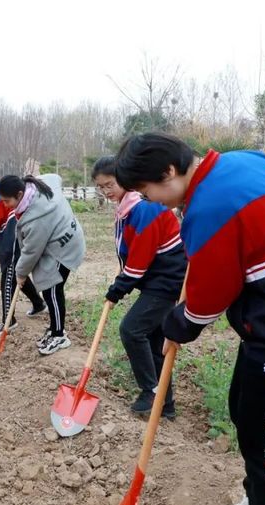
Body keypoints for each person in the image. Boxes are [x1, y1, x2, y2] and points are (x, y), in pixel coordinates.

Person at [115, 132, 265, 505]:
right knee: (242, 408)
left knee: (264, 439)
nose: (152, 201)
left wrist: (179, 324)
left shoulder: (208, 209)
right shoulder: (243, 160)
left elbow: (210, 297)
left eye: (147, 192)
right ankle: (256, 495)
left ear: (169, 171)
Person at [92, 156, 186, 420]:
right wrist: (122, 282)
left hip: (167, 282)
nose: (106, 191)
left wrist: (116, 290)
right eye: (101, 187)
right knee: (155, 343)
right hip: (156, 281)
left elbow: (138, 262)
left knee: (131, 330)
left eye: (110, 184)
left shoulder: (144, 209)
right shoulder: (127, 209)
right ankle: (165, 405)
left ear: (124, 179)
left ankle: (151, 391)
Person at [0, 174, 86, 355]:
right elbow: (56, 177)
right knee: (50, 290)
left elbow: (31, 252)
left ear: (19, 194)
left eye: (7, 201)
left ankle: (59, 335)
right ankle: (54, 329)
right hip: (59, 237)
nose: (5, 205)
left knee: (52, 289)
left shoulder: (36, 218)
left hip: (64, 247)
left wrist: (20, 274)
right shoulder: (39, 184)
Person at [0, 168, 45, 336]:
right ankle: (38, 303)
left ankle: (9, 319)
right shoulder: (2, 193)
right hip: (11, 237)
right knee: (16, 273)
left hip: (11, 240)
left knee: (8, 276)